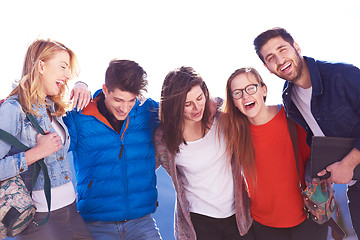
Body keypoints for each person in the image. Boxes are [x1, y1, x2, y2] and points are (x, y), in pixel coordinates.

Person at [253, 27, 360, 238]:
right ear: (267, 67)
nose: (280, 59)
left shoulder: (342, 76)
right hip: (354, 186)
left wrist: (349, 163)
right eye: (271, 57)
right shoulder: (289, 98)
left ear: (297, 47)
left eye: (283, 49)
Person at [220, 67, 328, 240]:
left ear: (264, 89)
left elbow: (321, 156)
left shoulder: (292, 117)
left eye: (250, 88)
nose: (245, 96)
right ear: (233, 101)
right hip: (265, 225)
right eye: (237, 93)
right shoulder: (234, 132)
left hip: (308, 216)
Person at [0, 39, 92, 239]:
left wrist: (82, 85)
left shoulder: (52, 107)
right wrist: (35, 154)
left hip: (71, 210)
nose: (67, 75)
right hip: (40, 220)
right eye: (63, 67)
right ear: (41, 66)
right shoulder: (13, 108)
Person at [63, 59, 162, 240]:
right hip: (96, 225)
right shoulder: (79, 117)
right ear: (105, 89)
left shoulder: (147, 109)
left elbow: (179, 111)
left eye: (131, 100)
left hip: (142, 222)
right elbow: (44, 129)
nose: (124, 108)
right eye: (118, 100)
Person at [154, 66, 254, 240]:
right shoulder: (164, 138)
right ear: (174, 106)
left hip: (237, 215)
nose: (196, 107)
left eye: (200, 98)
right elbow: (140, 168)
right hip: (198, 220)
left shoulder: (223, 117)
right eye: (187, 104)